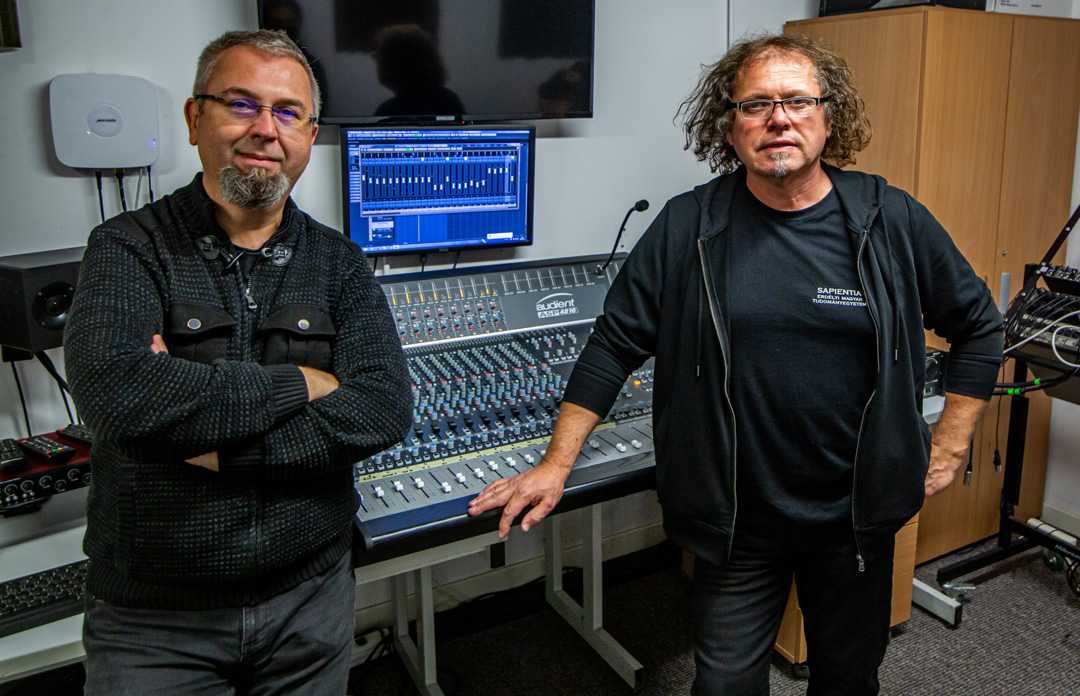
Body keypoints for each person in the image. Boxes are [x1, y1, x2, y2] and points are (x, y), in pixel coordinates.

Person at [469, 34, 1003, 695]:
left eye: (797, 101)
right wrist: (556, 463)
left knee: (847, 676)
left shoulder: (888, 218)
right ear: (730, 126)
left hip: (855, 519)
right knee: (723, 684)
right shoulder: (688, 226)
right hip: (736, 522)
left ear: (828, 117)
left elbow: (979, 328)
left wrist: (949, 445)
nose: (778, 118)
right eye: (756, 104)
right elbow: (613, 344)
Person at [65, 30, 412, 695]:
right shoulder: (126, 249)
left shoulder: (340, 263)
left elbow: (381, 407)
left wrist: (209, 442)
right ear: (196, 118)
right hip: (154, 621)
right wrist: (306, 382)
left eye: (288, 113)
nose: (265, 130)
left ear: (311, 135)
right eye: (241, 104)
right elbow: (118, 393)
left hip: (312, 602)